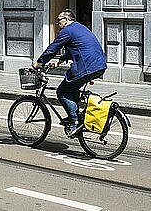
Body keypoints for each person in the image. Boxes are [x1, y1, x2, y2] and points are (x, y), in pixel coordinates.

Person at [34, 9, 107, 138]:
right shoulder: (80, 28)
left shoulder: (67, 30)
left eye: (58, 20)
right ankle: (77, 115)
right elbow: (77, 48)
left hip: (86, 66)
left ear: (66, 20)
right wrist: (59, 62)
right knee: (72, 89)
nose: (57, 23)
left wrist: (40, 62)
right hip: (98, 65)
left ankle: (75, 121)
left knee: (62, 91)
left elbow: (53, 48)